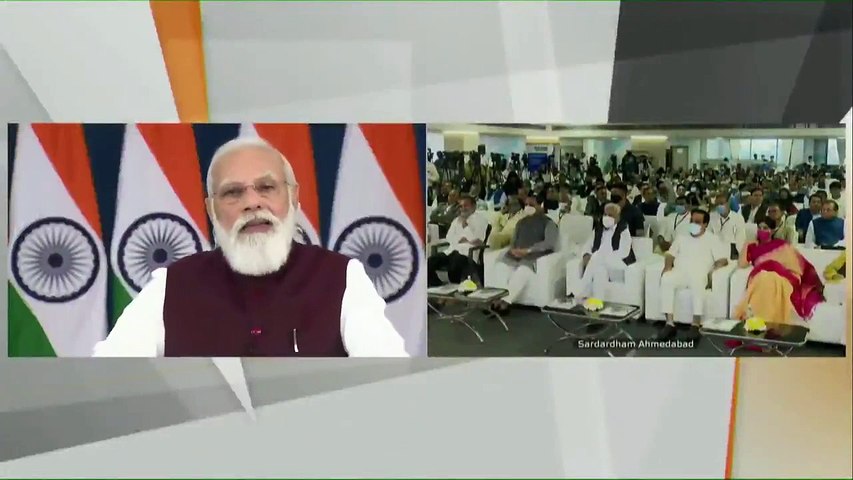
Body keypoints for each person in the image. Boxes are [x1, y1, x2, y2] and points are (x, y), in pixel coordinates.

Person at [93, 137, 407, 357]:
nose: (253, 203)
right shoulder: (172, 285)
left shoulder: (342, 277)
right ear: (212, 209)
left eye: (267, 187)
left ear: (294, 197)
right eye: (233, 193)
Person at [733, 218, 824, 325]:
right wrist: (746, 244)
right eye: (759, 228)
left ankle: (768, 322)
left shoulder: (781, 244)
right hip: (762, 276)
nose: (761, 230)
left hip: (784, 277)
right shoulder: (753, 247)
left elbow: (796, 265)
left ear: (772, 230)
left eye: (765, 228)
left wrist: (776, 269)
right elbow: (742, 264)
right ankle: (760, 322)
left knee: (771, 280)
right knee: (764, 280)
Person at [656, 209, 730, 341]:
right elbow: (670, 254)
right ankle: (669, 324)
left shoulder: (712, 239)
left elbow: (723, 260)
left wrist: (712, 272)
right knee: (666, 278)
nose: (693, 224)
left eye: (697, 222)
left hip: (699, 273)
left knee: (697, 282)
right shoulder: (681, 236)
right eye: (692, 221)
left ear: (705, 224)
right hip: (680, 272)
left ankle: (695, 325)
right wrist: (667, 267)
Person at [491, 197, 559, 314]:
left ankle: (504, 302)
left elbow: (549, 243)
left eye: (531, 204)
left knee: (522, 271)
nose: (528, 207)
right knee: (501, 267)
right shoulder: (521, 223)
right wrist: (514, 250)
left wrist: (528, 250)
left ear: (540, 205)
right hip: (514, 257)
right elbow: (514, 242)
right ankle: (495, 299)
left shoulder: (549, 223)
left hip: (532, 259)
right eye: (526, 204)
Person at [568, 203, 635, 301]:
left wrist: (605, 257)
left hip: (618, 265)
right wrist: (586, 254)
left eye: (610, 215)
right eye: (605, 214)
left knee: (597, 257)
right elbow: (588, 244)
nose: (607, 217)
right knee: (600, 272)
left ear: (617, 217)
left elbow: (624, 252)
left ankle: (579, 291)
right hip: (600, 263)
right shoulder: (598, 229)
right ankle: (597, 302)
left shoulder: (623, 230)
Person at [427, 195, 488, 287]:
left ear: (474, 206)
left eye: (466, 205)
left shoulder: (480, 220)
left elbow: (478, 240)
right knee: (429, 262)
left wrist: (466, 226)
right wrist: (462, 239)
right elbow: (449, 237)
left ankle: (456, 289)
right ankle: (438, 286)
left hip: (467, 253)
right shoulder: (456, 220)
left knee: (455, 264)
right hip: (451, 251)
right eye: (461, 206)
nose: (463, 208)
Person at [709, 191, 746, 259]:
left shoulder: (738, 218)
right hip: (715, 249)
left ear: (728, 203)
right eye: (717, 205)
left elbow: (740, 239)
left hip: (732, 251)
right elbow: (708, 235)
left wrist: (740, 255)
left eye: (721, 204)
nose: (719, 206)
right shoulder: (711, 217)